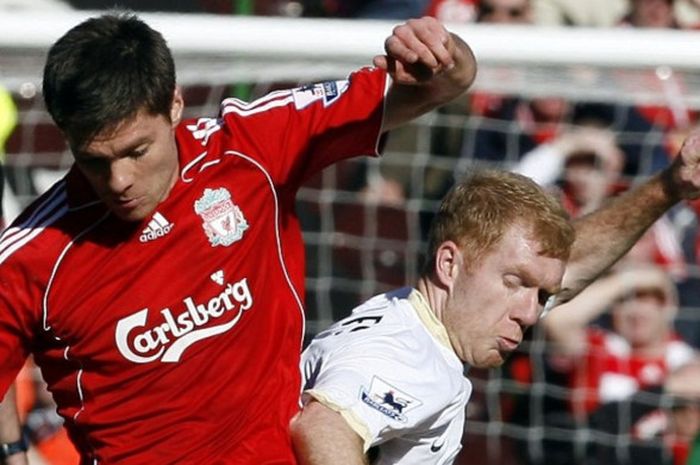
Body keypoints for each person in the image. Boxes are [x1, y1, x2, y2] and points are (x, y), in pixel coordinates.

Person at [0, 12, 478, 465]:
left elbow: (446, 83)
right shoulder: (31, 255)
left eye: (136, 151)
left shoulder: (250, 147)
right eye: (94, 161)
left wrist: (441, 52)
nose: (119, 179)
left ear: (174, 104)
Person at [290, 121, 700, 463]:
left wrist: (667, 188)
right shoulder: (406, 354)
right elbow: (324, 427)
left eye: (540, 295)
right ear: (449, 264)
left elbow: (570, 265)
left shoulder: (419, 318)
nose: (530, 312)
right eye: (514, 283)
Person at [544, 264, 695, 417]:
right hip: (595, 437)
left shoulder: (687, 360)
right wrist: (626, 281)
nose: (635, 312)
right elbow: (555, 320)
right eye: (623, 301)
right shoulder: (596, 348)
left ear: (667, 307)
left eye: (645, 300)